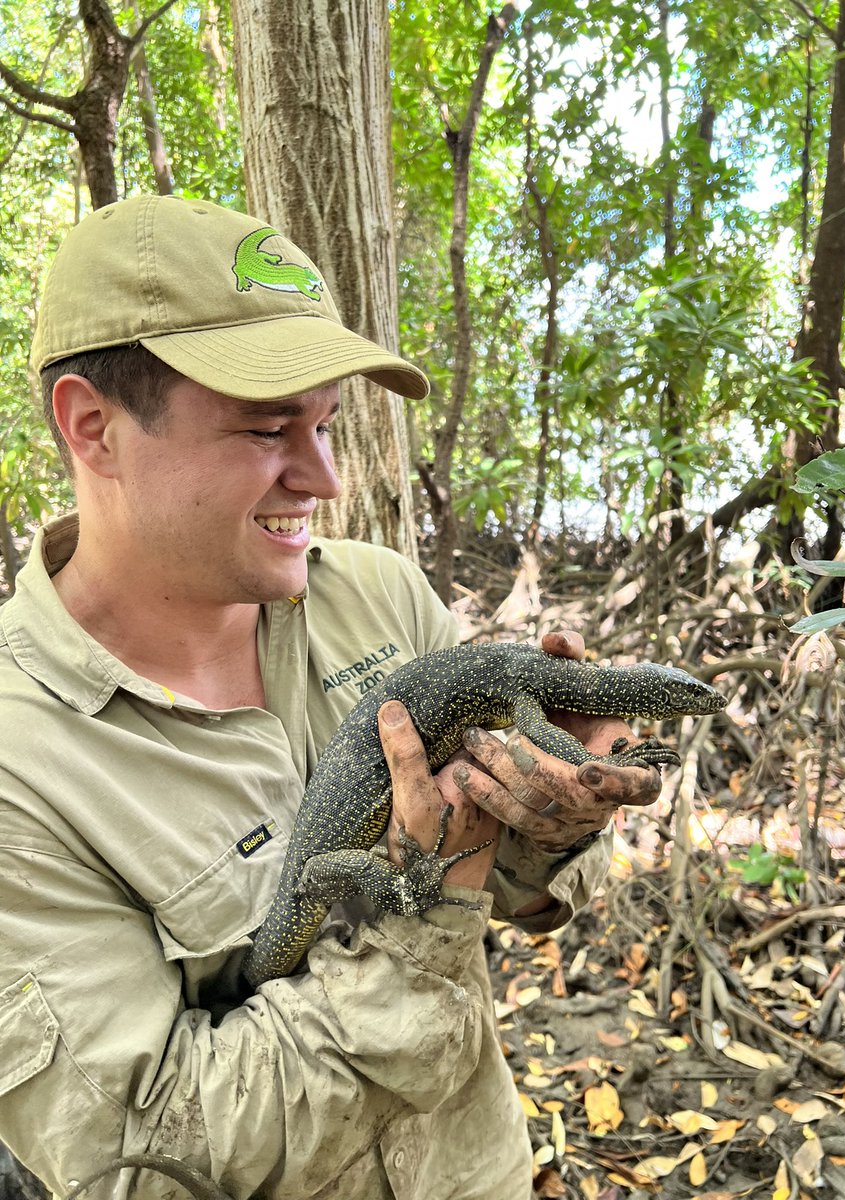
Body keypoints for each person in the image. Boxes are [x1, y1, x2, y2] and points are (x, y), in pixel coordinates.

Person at [0, 194, 660, 1200]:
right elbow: (151, 1158)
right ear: (95, 428)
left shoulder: (379, 598)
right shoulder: (21, 761)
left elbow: (515, 889)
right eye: (269, 430)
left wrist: (553, 809)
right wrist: (418, 907)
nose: (324, 478)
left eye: (329, 425)